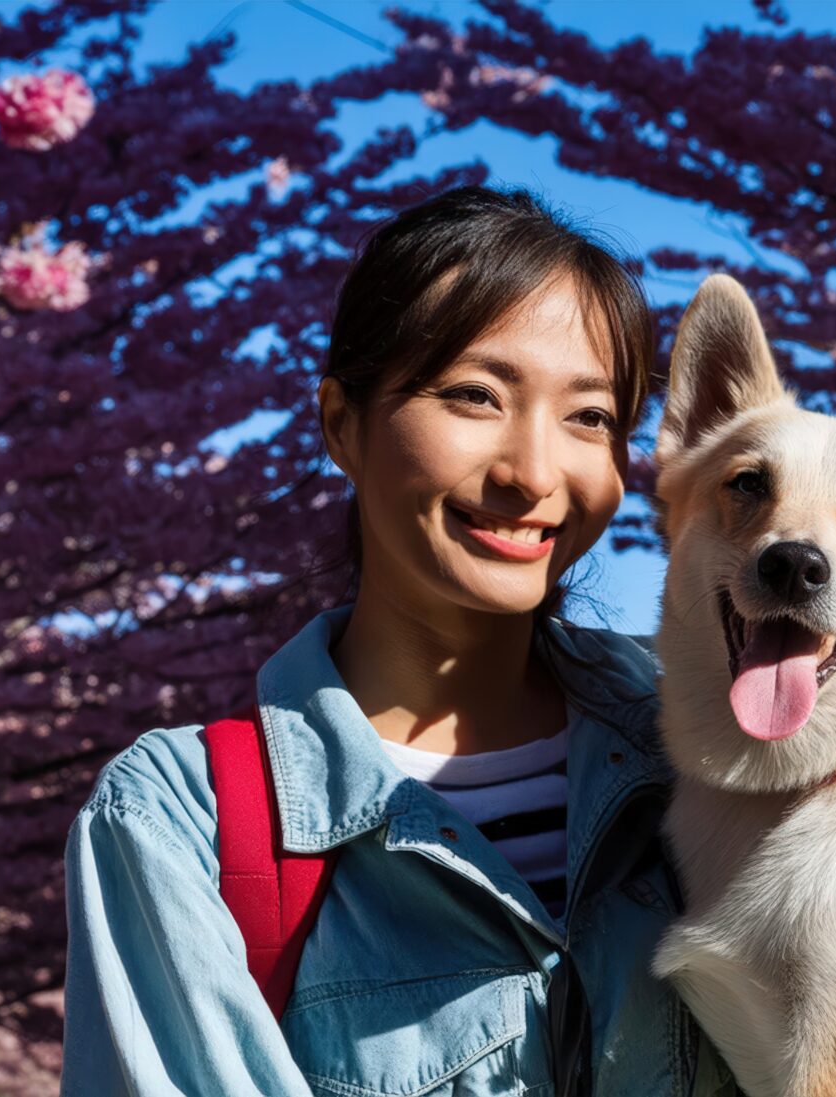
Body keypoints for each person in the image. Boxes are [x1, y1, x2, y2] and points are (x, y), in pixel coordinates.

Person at [60, 187, 736, 1096]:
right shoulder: (184, 821)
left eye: (591, 417)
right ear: (342, 422)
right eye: (474, 395)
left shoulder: (718, 748)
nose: (533, 472)